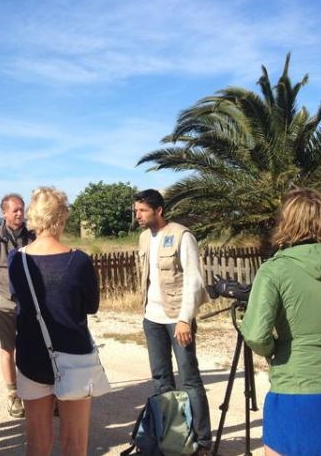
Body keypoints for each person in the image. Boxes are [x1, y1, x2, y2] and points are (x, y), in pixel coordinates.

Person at [241, 188, 321, 456]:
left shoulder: (274, 270)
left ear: (287, 223)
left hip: (296, 389)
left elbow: (255, 334)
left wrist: (275, 350)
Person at [7, 186, 99, 455]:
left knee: (37, 442)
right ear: (62, 217)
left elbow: (16, 298)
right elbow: (91, 306)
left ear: (33, 217)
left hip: (31, 356)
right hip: (74, 356)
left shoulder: (17, 260)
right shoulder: (79, 260)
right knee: (74, 443)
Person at [133, 189, 211, 455]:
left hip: (177, 319)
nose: (138, 216)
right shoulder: (144, 238)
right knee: (161, 380)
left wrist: (184, 319)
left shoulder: (182, 235)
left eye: (142, 210)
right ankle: (170, 438)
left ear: (159, 210)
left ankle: (201, 442)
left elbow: (193, 279)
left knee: (190, 379)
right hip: (152, 319)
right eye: (136, 211)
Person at [0, 193, 35, 418]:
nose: (20, 213)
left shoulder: (32, 236)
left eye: (22, 209)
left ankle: (34, 391)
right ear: (4, 213)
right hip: (5, 306)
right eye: (15, 210)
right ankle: (13, 396)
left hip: (30, 306)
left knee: (31, 350)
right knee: (7, 350)